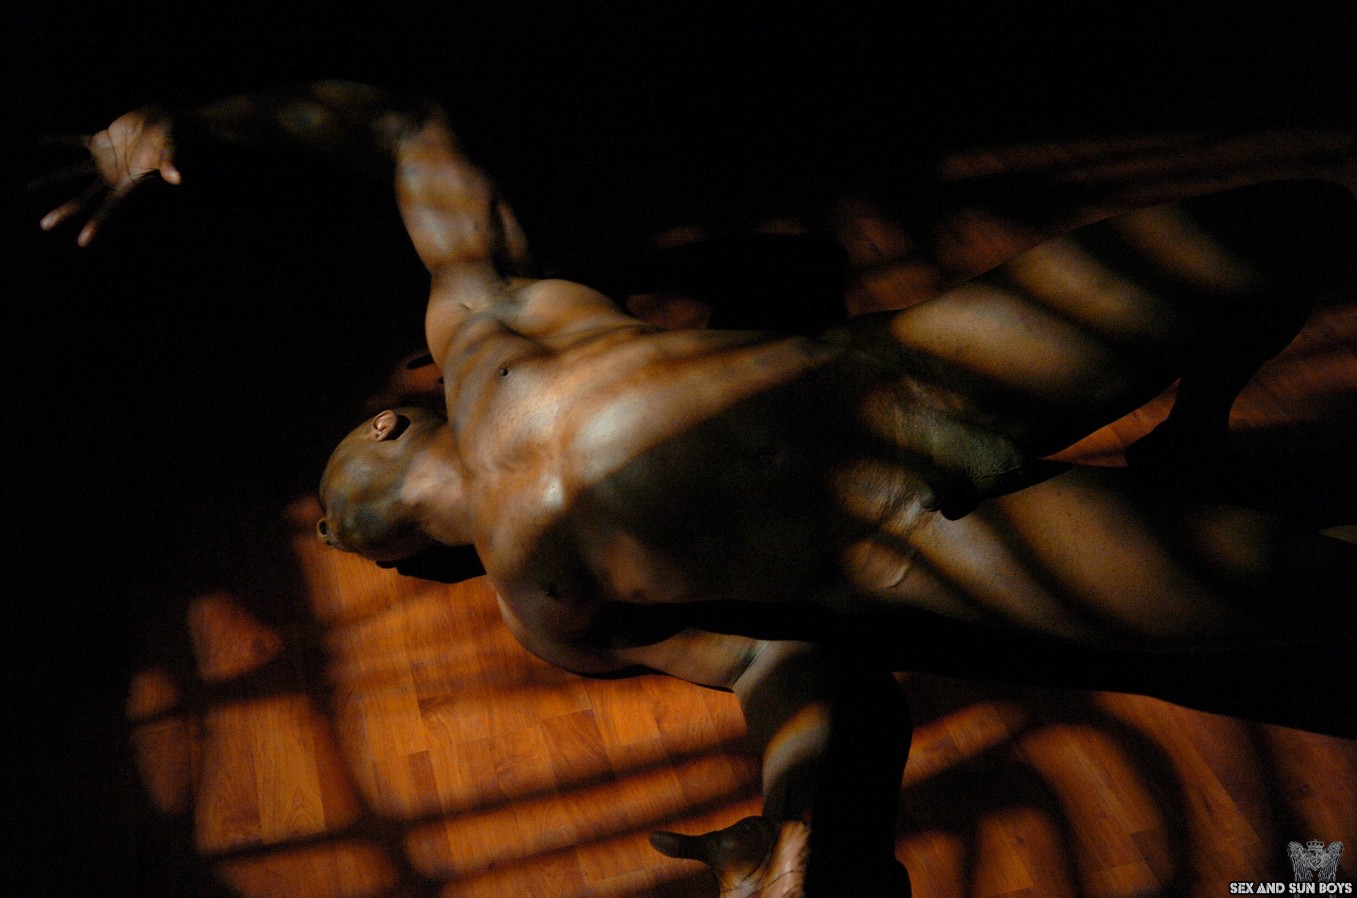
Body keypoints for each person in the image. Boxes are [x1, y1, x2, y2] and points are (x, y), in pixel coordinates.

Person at [41, 81, 1357, 897]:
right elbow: (778, 666)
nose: (337, 538)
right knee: (1318, 599)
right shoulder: (543, 611)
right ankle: (1194, 467)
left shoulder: (492, 322)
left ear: (385, 423)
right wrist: (796, 831)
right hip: (931, 543)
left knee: (1293, 223)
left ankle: (1195, 429)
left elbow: (404, 127)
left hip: (942, 364)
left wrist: (195, 120)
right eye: (347, 543)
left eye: (330, 515)